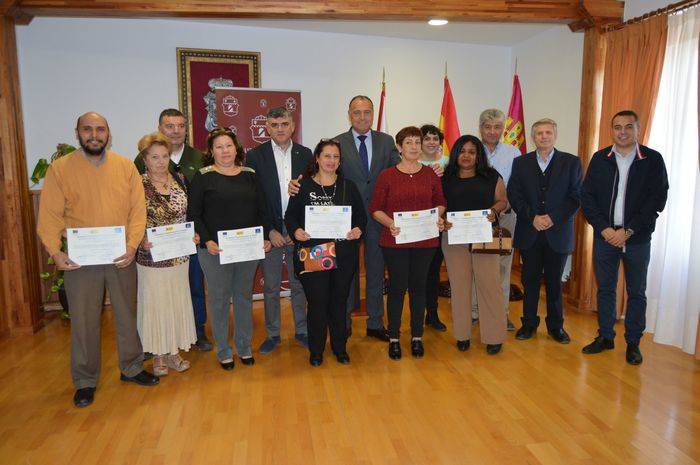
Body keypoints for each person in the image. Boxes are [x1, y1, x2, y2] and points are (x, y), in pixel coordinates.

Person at [37, 112, 158, 408]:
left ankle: (131, 368)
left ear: (108, 134)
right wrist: (55, 252)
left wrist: (131, 247)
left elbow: (137, 211)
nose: (94, 134)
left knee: (127, 315)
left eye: (100, 129)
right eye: (88, 129)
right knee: (84, 321)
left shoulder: (124, 167)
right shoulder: (60, 169)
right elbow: (50, 215)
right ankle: (85, 380)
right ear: (78, 133)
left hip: (121, 256)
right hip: (80, 260)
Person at [289, 95, 400, 341]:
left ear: (372, 114)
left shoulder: (386, 141)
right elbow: (314, 173)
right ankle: (344, 323)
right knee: (346, 274)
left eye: (367, 112)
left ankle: (374, 322)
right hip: (341, 223)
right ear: (349, 115)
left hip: (378, 218)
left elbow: (399, 171)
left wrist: (428, 166)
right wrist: (294, 184)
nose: (362, 117)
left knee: (375, 270)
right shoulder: (337, 143)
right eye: (357, 112)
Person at [580, 110, 669, 365]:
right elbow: (587, 198)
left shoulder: (652, 160)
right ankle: (605, 337)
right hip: (605, 236)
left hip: (636, 238)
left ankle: (633, 343)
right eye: (617, 127)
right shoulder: (600, 158)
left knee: (636, 291)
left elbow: (656, 200)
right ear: (612, 130)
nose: (622, 132)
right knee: (606, 289)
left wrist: (628, 231)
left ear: (637, 130)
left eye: (628, 127)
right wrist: (605, 229)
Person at [187, 128, 272, 370]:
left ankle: (244, 347)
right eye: (219, 147)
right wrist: (206, 240)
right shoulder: (203, 177)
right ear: (211, 151)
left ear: (237, 148)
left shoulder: (250, 175)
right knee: (219, 299)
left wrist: (265, 236)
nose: (225, 151)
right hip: (215, 251)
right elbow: (193, 213)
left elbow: (263, 209)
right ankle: (223, 350)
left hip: (247, 249)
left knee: (244, 297)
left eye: (228, 146)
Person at [285, 139, 367, 366]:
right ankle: (316, 350)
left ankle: (340, 348)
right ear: (318, 159)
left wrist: (358, 229)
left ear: (340, 161)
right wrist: (296, 231)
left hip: (344, 254)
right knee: (318, 303)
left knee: (339, 303)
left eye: (336, 157)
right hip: (313, 254)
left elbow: (361, 217)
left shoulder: (347, 186)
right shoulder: (303, 186)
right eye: (327, 156)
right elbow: (290, 216)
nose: (331, 161)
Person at [135, 108, 211, 351]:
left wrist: (197, 232)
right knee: (157, 298)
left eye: (181, 126)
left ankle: (195, 333)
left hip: (184, 242)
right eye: (170, 126)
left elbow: (198, 203)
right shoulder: (139, 167)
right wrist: (139, 238)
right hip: (154, 250)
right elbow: (133, 211)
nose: (176, 130)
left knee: (193, 288)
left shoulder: (197, 158)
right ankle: (155, 344)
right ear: (160, 128)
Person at [368, 126, 446, 360]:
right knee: (397, 288)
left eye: (417, 142)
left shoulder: (431, 174)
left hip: (425, 241)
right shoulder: (387, 175)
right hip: (395, 241)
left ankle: (416, 337)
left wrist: (437, 217)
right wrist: (390, 223)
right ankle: (393, 337)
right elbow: (375, 209)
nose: (414, 146)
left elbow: (440, 202)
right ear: (399, 148)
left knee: (419, 288)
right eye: (408, 142)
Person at [507, 118, 581, 344]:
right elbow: (514, 194)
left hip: (557, 233)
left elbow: (576, 196)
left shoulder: (571, 162)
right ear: (533, 137)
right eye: (539, 133)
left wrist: (552, 218)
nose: (544, 136)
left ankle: (555, 327)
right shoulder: (521, 163)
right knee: (529, 281)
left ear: (555, 135)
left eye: (548, 132)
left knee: (554, 283)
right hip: (530, 232)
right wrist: (533, 218)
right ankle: (529, 324)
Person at [246, 107, 311, 354]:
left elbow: (310, 195)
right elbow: (254, 199)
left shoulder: (306, 155)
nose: (280, 129)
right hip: (270, 229)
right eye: (274, 125)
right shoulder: (255, 156)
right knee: (271, 285)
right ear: (267, 128)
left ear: (292, 125)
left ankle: (302, 330)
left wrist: (295, 229)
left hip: (299, 229)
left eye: (284, 123)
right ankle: (273, 333)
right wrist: (269, 231)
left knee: (299, 282)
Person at [135, 132, 198, 376]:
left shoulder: (179, 179)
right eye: (154, 157)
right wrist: (141, 240)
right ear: (145, 159)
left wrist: (192, 235)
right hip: (152, 258)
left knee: (176, 303)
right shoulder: (138, 184)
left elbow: (188, 214)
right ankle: (158, 355)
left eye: (164, 156)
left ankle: (173, 352)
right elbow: (130, 217)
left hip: (180, 256)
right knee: (156, 306)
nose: (161, 162)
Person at [441, 135, 508, 354]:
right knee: (460, 288)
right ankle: (462, 335)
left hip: (484, 238)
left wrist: (494, 211)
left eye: (472, 151)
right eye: (462, 151)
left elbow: (502, 201)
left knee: (490, 286)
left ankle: (494, 336)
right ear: (455, 154)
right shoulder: (446, 178)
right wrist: (442, 220)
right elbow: (439, 207)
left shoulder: (490, 176)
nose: (467, 156)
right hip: (454, 239)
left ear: (478, 155)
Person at [477, 109, 520, 331]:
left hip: (505, 219)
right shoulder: (471, 151)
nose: (492, 131)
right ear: (480, 128)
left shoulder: (514, 153)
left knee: (502, 267)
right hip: (477, 221)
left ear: (503, 129)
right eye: (487, 126)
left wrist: (505, 206)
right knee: (477, 265)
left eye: (497, 127)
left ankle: (501, 314)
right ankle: (476, 311)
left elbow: (518, 185)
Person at [420, 124, 449, 331]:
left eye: (435, 138)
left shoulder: (448, 163)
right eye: (426, 138)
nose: (431, 142)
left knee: (432, 272)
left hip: (438, 225)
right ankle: (416, 314)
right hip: (414, 226)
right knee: (415, 274)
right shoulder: (410, 163)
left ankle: (432, 313)